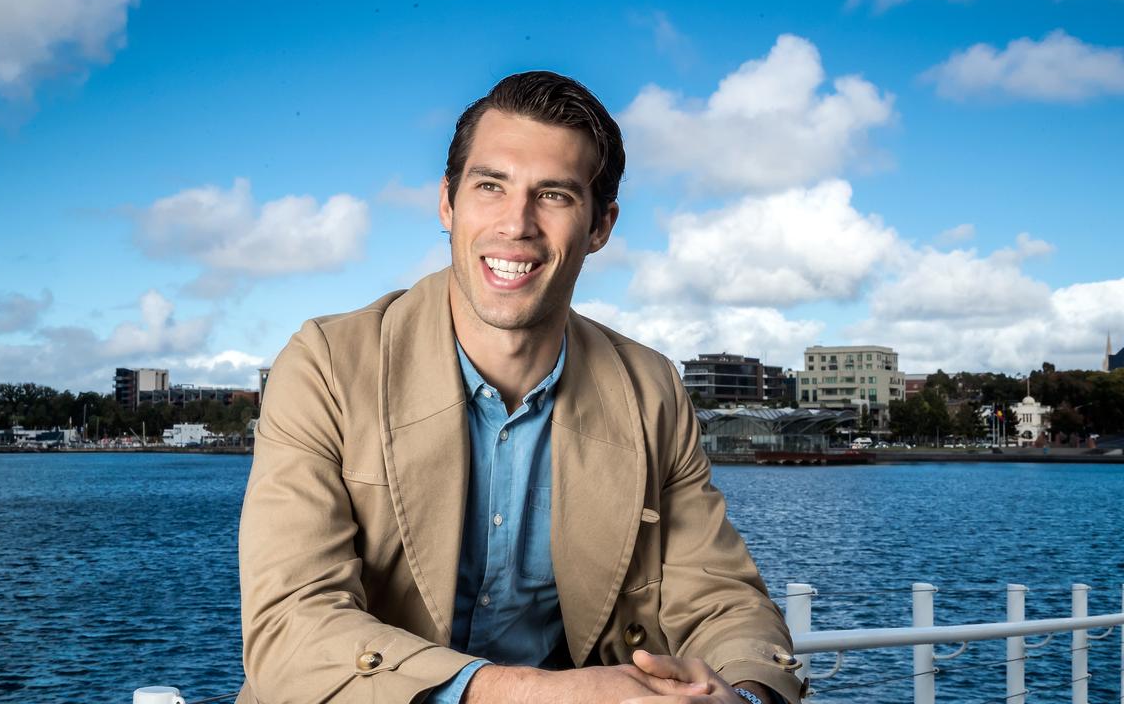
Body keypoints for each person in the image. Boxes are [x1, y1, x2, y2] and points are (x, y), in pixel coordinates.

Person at [237, 71, 802, 704]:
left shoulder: (651, 389)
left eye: (554, 195)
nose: (516, 223)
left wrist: (745, 697)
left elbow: (722, 598)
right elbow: (291, 628)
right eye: (490, 186)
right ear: (448, 203)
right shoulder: (327, 366)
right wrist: (539, 695)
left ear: (600, 226)